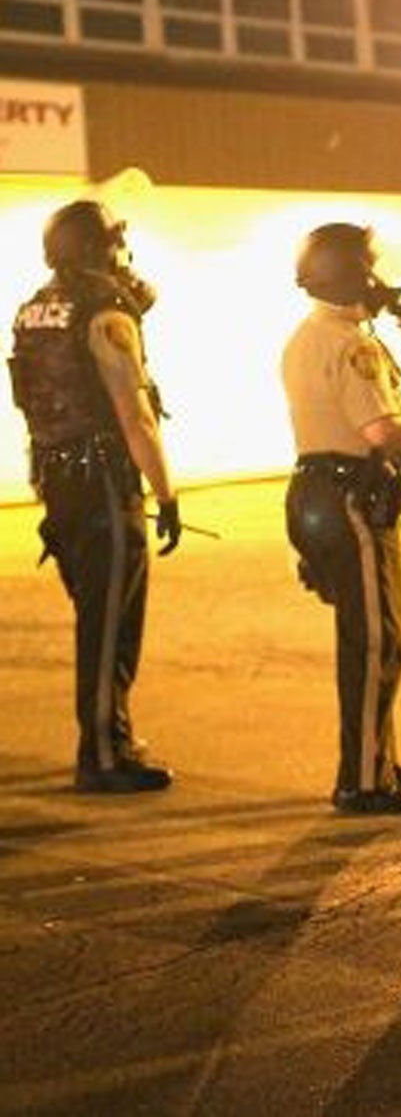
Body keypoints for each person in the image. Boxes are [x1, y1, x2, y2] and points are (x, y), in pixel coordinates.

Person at [9, 200, 181, 792]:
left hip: (56, 478)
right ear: (95, 248)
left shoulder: (35, 308)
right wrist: (166, 492)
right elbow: (135, 415)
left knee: (94, 613)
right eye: (113, 243)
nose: (122, 255)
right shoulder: (106, 313)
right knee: (111, 622)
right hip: (104, 481)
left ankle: (109, 739)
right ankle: (105, 754)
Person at [280, 223, 401, 815]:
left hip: (316, 492)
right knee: (376, 642)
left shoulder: (307, 335)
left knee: (364, 637)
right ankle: (366, 779)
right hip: (352, 499)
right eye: (372, 269)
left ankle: (378, 759)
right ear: (355, 275)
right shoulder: (353, 344)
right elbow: (382, 431)